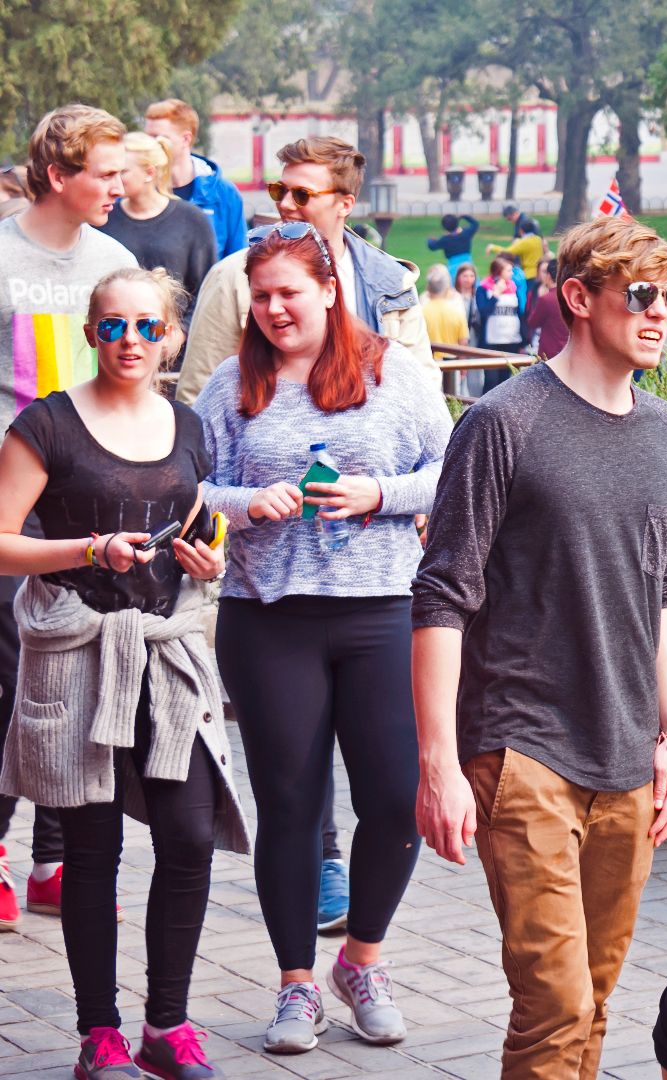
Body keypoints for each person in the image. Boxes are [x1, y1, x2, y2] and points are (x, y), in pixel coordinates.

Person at [412, 214, 667, 1078]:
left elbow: (666, 592)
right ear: (578, 298)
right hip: (523, 747)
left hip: (626, 756)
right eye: (639, 295)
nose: (658, 315)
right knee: (556, 1004)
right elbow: (443, 593)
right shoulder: (505, 421)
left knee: (594, 1004)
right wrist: (440, 765)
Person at [194, 221, 450, 1055]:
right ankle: (296, 984)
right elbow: (187, 487)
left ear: (331, 290)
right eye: (260, 296)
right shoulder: (231, 386)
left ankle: (363, 959)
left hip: (379, 610)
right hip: (269, 618)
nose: (274, 310)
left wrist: (378, 492)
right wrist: (244, 503)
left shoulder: (392, 372)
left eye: (289, 293)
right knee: (293, 806)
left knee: (393, 799)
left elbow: (451, 472)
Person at [0, 267, 243, 1080]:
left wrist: (211, 555)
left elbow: (202, 525)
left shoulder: (188, 425)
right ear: (91, 334)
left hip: (165, 655)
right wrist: (85, 550)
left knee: (187, 839)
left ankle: (166, 1028)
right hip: (77, 657)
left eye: (146, 326)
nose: (130, 341)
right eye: (112, 326)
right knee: (92, 851)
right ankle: (97, 1034)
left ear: (171, 334)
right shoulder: (48, 425)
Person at [0, 105, 139, 924]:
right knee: (11, 680)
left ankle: (55, 860)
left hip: (90, 502)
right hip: (12, 507)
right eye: (106, 173)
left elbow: (132, 375)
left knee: (84, 682)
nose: (119, 189)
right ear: (60, 175)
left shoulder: (114, 259)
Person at [174, 136, 432, 407]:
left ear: (345, 204)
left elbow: (422, 392)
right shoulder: (232, 276)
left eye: (301, 195)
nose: (285, 204)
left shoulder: (392, 281)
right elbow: (199, 393)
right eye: (279, 191)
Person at [101, 133, 217, 331]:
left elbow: (206, 288)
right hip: (117, 338)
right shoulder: (104, 219)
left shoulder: (191, 219)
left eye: (123, 172)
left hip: (177, 344)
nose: (116, 180)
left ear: (149, 172)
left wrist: (180, 334)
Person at [143, 100, 246, 259]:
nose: (150, 146)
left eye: (160, 138)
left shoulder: (224, 194)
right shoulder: (138, 188)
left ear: (186, 139)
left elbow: (238, 260)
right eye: (147, 138)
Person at [522, 257, 569, 358]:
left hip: (549, 351)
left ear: (548, 276)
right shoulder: (569, 296)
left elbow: (532, 322)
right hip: (567, 350)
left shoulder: (546, 299)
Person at [421, 264, 469, 348]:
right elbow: (463, 339)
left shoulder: (456, 298)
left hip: (430, 353)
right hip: (450, 353)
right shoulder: (423, 299)